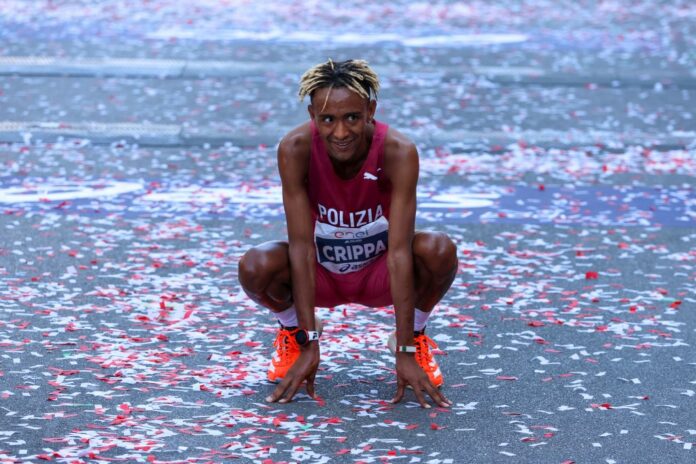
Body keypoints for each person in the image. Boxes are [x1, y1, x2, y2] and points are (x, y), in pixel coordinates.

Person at [238, 59, 458, 409]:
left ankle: (416, 335)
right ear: (312, 115)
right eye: (328, 120)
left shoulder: (398, 151)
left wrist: (404, 350)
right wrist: (309, 341)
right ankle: (292, 330)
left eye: (352, 117)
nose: (341, 132)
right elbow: (301, 248)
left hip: (379, 274)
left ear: (371, 110)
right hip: (323, 275)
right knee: (255, 266)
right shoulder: (295, 148)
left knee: (438, 250)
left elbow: (400, 251)